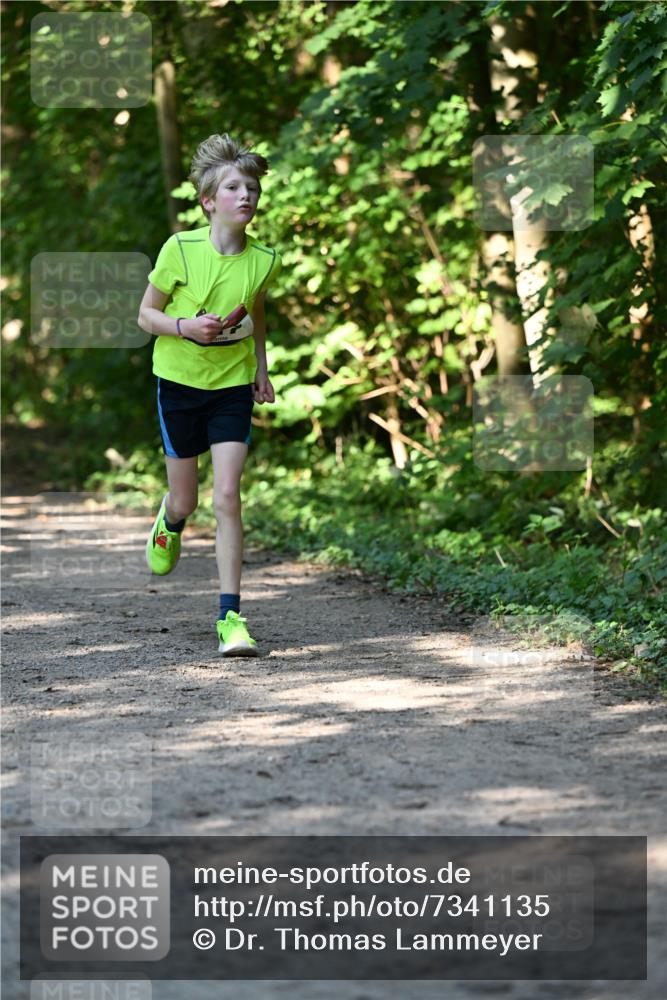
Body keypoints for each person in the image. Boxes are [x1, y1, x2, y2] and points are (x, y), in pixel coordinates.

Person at [137, 133, 282, 656]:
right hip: (178, 383)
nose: (246, 195)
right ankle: (170, 518)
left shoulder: (264, 260)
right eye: (233, 187)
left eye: (252, 187)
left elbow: (254, 310)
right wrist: (184, 326)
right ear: (207, 201)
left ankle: (230, 618)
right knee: (189, 498)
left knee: (226, 497)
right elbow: (145, 315)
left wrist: (261, 369)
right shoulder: (180, 248)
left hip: (231, 388)